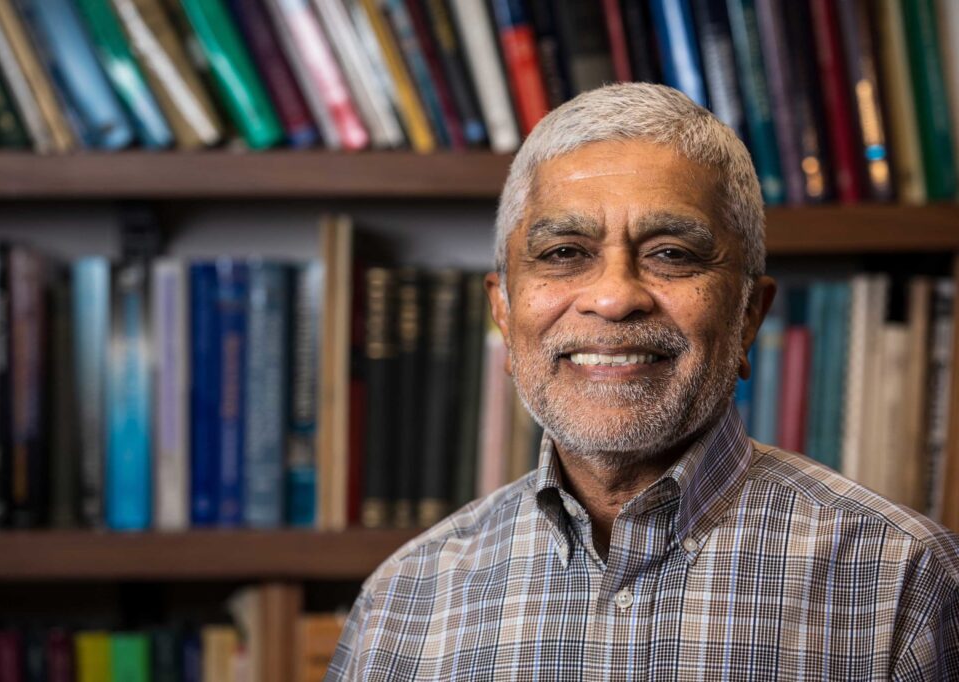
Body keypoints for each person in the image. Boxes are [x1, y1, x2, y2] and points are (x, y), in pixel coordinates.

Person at [325, 83, 959, 680]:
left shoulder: (908, 583)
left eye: (672, 255)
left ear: (748, 317)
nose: (614, 298)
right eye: (564, 253)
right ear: (504, 311)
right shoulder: (401, 602)